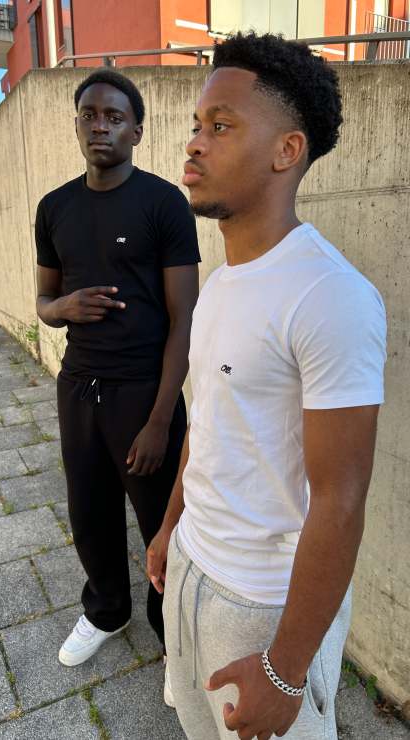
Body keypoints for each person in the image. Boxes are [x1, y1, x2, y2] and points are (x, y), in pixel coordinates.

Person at [147, 32, 386, 739]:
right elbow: (209, 423)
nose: (194, 143)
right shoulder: (221, 284)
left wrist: (285, 670)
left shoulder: (330, 296)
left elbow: (341, 500)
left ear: (288, 150)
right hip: (191, 565)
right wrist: (170, 528)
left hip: (262, 607)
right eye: (197, 123)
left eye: (220, 126)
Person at [35, 69, 200, 699]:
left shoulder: (163, 204)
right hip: (79, 386)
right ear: (77, 125)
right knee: (89, 509)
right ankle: (107, 609)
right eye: (89, 115)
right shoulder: (55, 208)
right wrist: (64, 307)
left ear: (137, 129)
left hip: (142, 391)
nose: (99, 126)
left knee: (161, 520)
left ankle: (171, 636)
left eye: (113, 116)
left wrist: (160, 419)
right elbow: (44, 302)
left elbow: (184, 318)